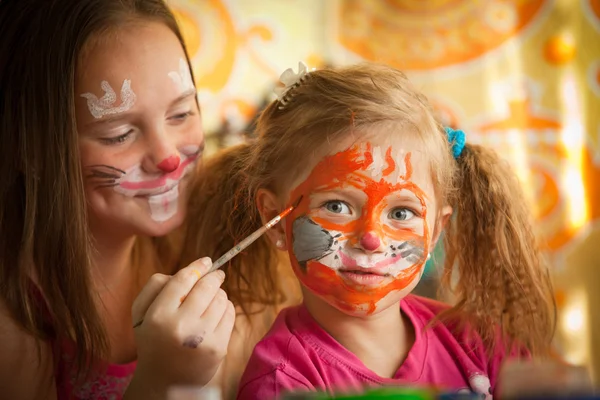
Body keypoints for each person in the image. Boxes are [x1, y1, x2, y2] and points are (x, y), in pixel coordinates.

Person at [192, 62, 557, 400]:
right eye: (336, 206)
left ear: (435, 231)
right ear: (275, 219)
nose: (371, 237)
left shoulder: (480, 345)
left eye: (402, 211)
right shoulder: (284, 380)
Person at [0, 1, 285, 399]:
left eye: (181, 114)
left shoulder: (208, 232)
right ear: (30, 150)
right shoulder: (15, 320)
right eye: (119, 134)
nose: (168, 157)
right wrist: (164, 382)